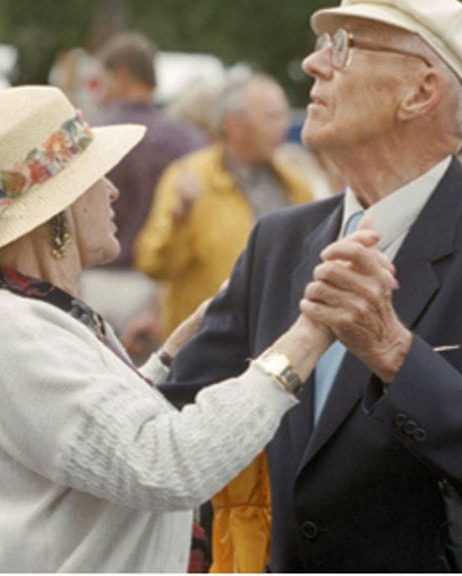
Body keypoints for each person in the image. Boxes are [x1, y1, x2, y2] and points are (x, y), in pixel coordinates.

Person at [0, 85, 384, 572]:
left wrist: (167, 357)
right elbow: (168, 465)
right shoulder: (12, 331)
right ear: (58, 211)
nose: (113, 189)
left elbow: (90, 439)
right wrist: (310, 334)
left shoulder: (18, 315)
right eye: (97, 176)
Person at [163, 0, 462, 571]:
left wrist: (395, 353)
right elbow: (172, 423)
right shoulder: (279, 240)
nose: (314, 63)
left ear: (420, 92)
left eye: (344, 46)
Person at [135, 71, 313, 572]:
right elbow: (152, 261)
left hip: (279, 364)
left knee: (268, 502)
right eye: (273, 115)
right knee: (212, 508)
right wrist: (178, 219)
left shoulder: (291, 178)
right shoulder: (188, 177)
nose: (286, 125)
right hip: (213, 363)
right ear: (234, 125)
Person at [80, 32, 208, 351]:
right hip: (158, 287)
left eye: (104, 80)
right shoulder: (190, 140)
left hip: (97, 279)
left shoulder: (91, 136)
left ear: (121, 75)